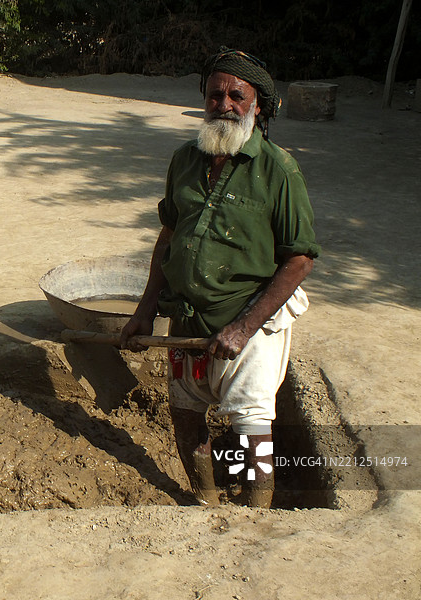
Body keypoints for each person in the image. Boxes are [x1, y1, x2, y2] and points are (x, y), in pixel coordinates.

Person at [120, 47, 320, 508]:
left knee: (252, 430)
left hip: (249, 328)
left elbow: (300, 259)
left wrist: (244, 326)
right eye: (215, 95)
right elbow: (167, 237)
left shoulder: (279, 170)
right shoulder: (184, 160)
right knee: (186, 415)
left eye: (236, 96)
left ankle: (257, 514)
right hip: (186, 321)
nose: (224, 105)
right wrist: (145, 311)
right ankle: (205, 503)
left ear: (258, 106)